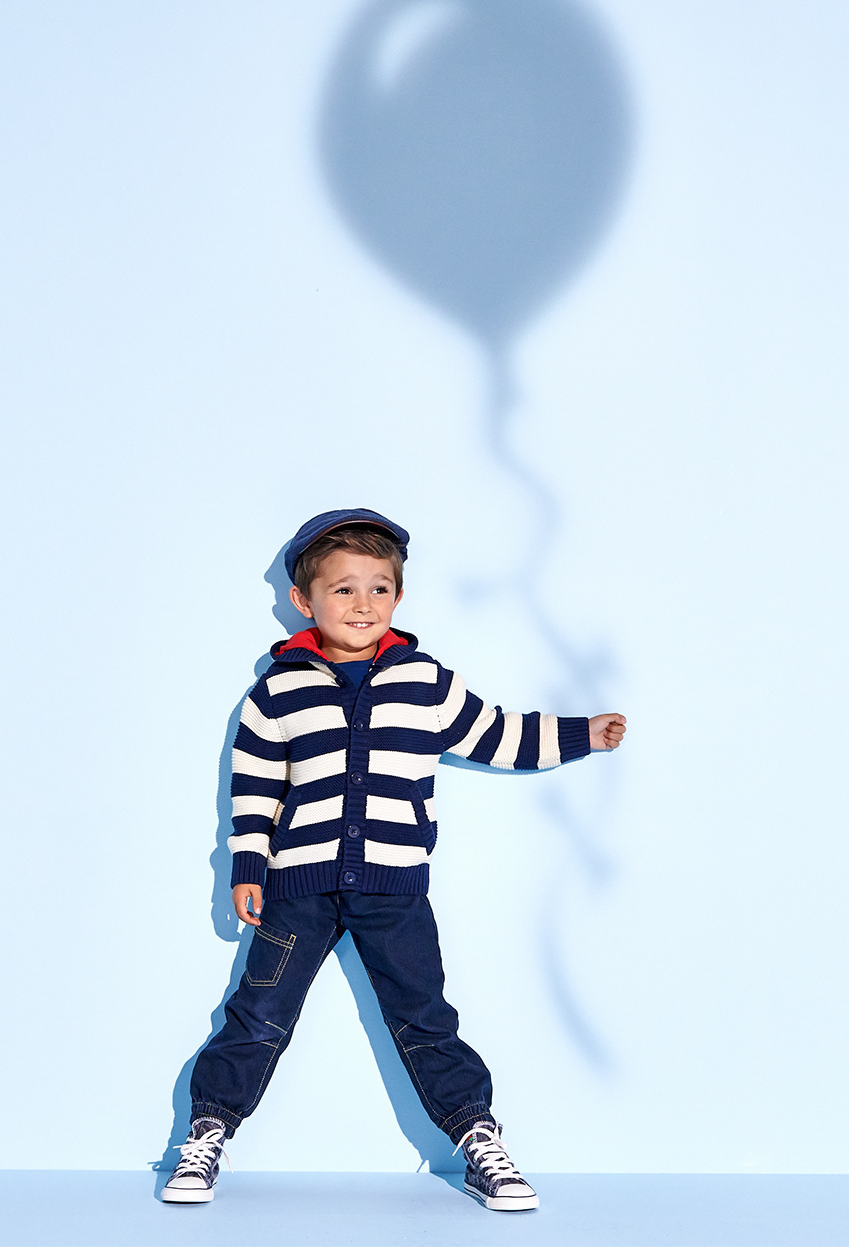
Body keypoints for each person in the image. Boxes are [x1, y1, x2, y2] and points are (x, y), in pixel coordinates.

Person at [161, 508, 626, 1212]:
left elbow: (497, 734)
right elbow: (254, 786)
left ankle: (476, 1135)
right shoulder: (278, 690)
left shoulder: (426, 683)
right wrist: (248, 865)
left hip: (394, 890)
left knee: (425, 1018)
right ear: (304, 600)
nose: (363, 604)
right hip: (297, 889)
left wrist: (579, 733)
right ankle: (206, 1133)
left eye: (379, 588)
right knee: (257, 1016)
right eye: (343, 589)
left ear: (399, 597)